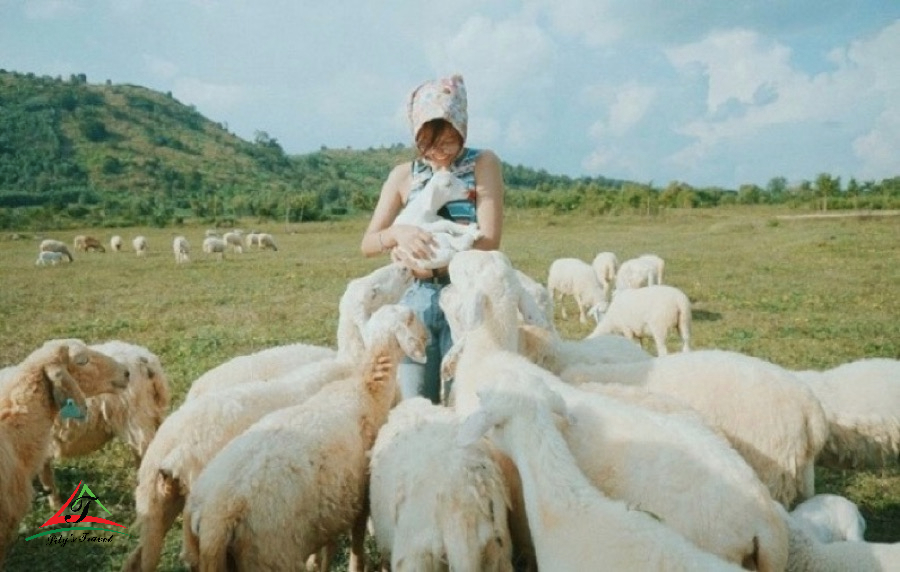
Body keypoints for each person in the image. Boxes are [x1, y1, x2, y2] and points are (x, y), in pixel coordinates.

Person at [360, 74, 504, 404]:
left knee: (466, 399)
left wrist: (439, 254)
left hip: (467, 295)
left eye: (448, 142)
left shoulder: (482, 163)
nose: (439, 153)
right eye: (428, 144)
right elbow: (368, 243)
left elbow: (489, 239)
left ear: (461, 128)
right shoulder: (403, 175)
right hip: (415, 299)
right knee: (416, 405)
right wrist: (397, 234)